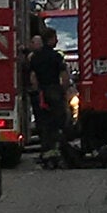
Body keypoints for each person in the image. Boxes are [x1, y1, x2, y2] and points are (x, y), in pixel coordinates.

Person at [28, 26, 68, 166]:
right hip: (54, 90)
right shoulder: (57, 56)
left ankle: (46, 150)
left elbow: (33, 77)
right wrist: (65, 90)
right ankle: (58, 149)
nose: (57, 40)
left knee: (43, 122)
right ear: (50, 40)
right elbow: (64, 75)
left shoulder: (35, 57)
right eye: (55, 38)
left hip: (42, 93)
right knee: (58, 120)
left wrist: (38, 90)